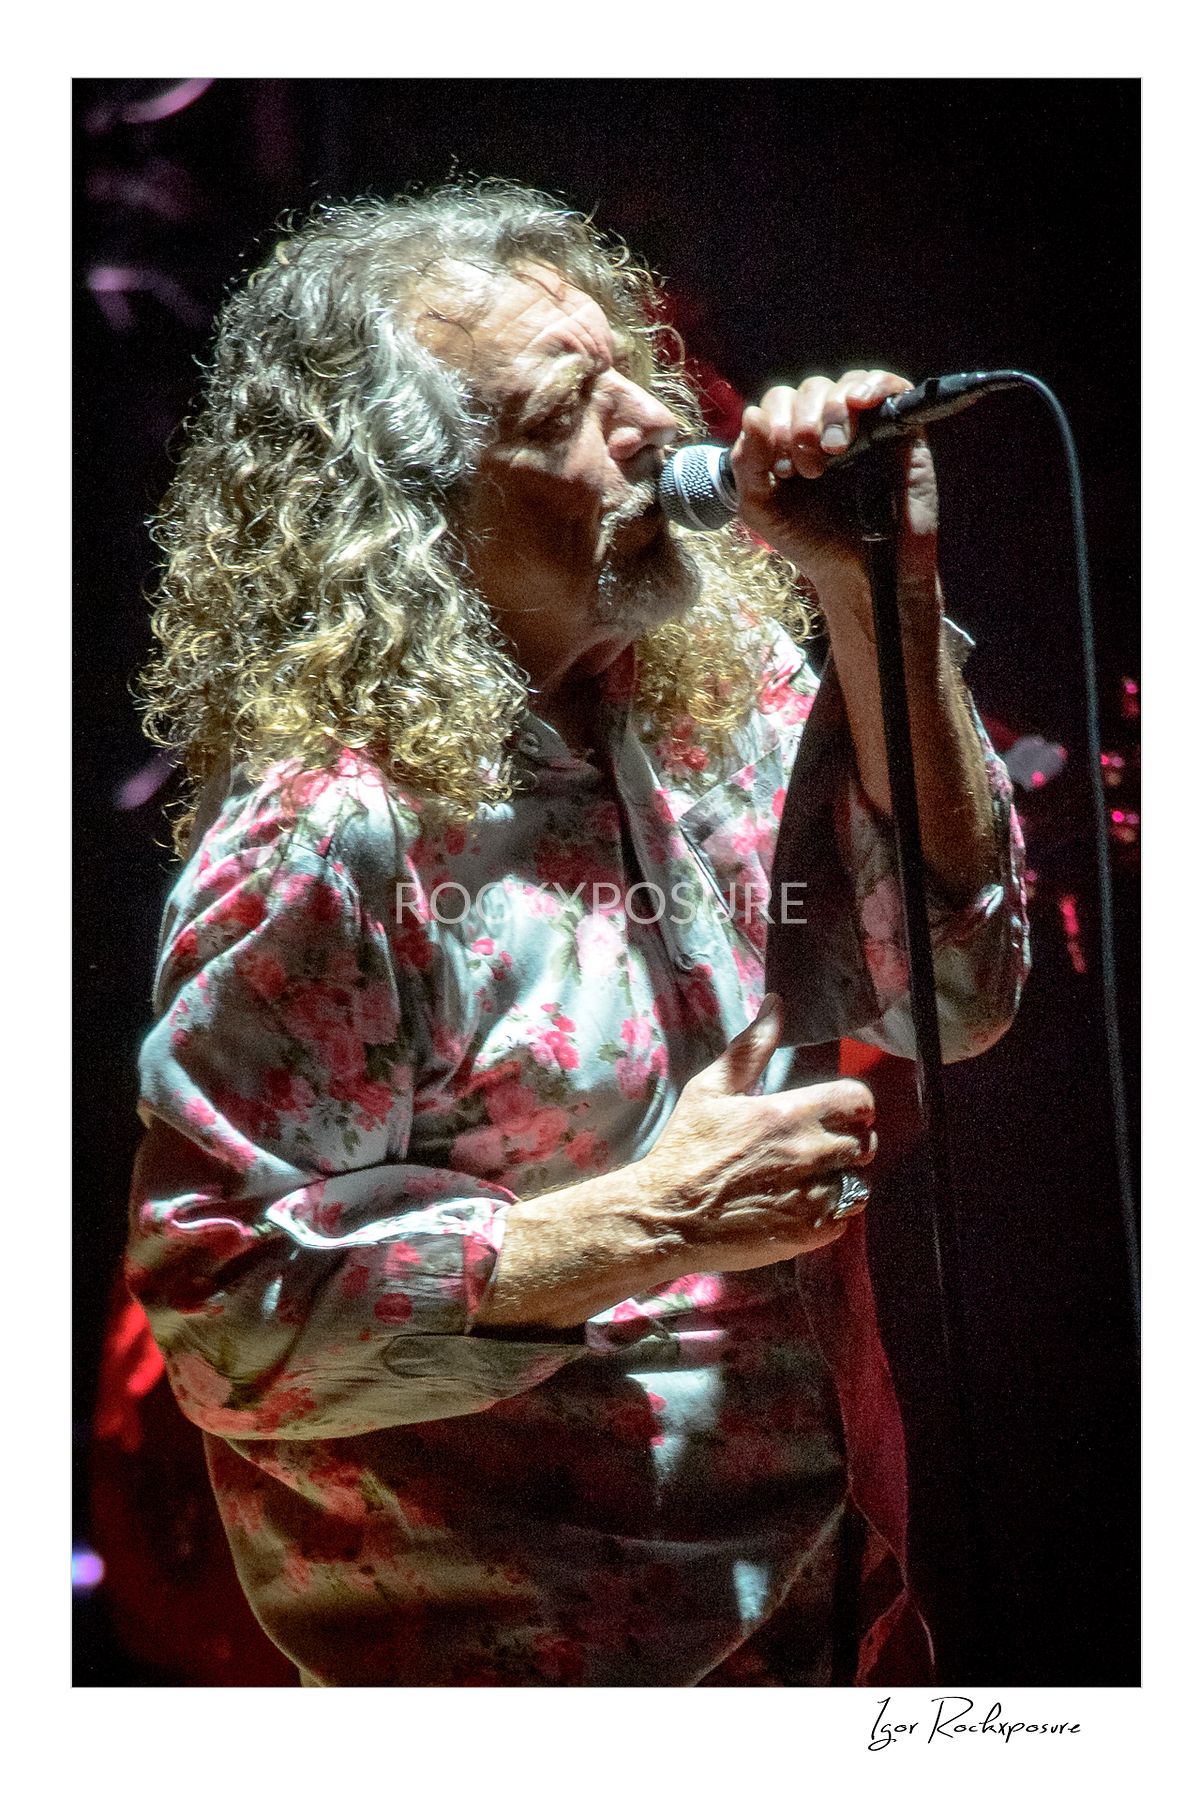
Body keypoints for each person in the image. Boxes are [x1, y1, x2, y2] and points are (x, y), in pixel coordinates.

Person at [127, 180, 1028, 1686]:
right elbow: (224, 1327)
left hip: (837, 1620)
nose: (655, 423)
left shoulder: (719, 687)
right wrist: (645, 1223)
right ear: (416, 512)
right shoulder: (335, 840)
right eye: (567, 407)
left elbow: (959, 988)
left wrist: (878, 588)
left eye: (628, 371)